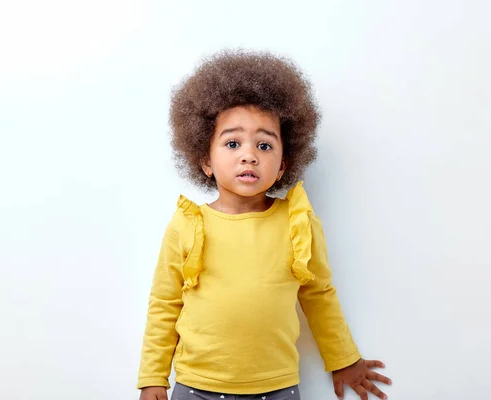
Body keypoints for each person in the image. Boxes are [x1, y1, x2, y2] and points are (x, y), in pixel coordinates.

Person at [137, 50, 391, 400]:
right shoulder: (187, 224)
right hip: (196, 387)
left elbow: (319, 295)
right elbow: (164, 304)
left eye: (264, 144)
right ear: (205, 160)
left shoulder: (296, 222)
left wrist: (343, 359)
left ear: (283, 164)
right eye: (232, 142)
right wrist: (153, 377)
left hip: (276, 387)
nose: (249, 154)